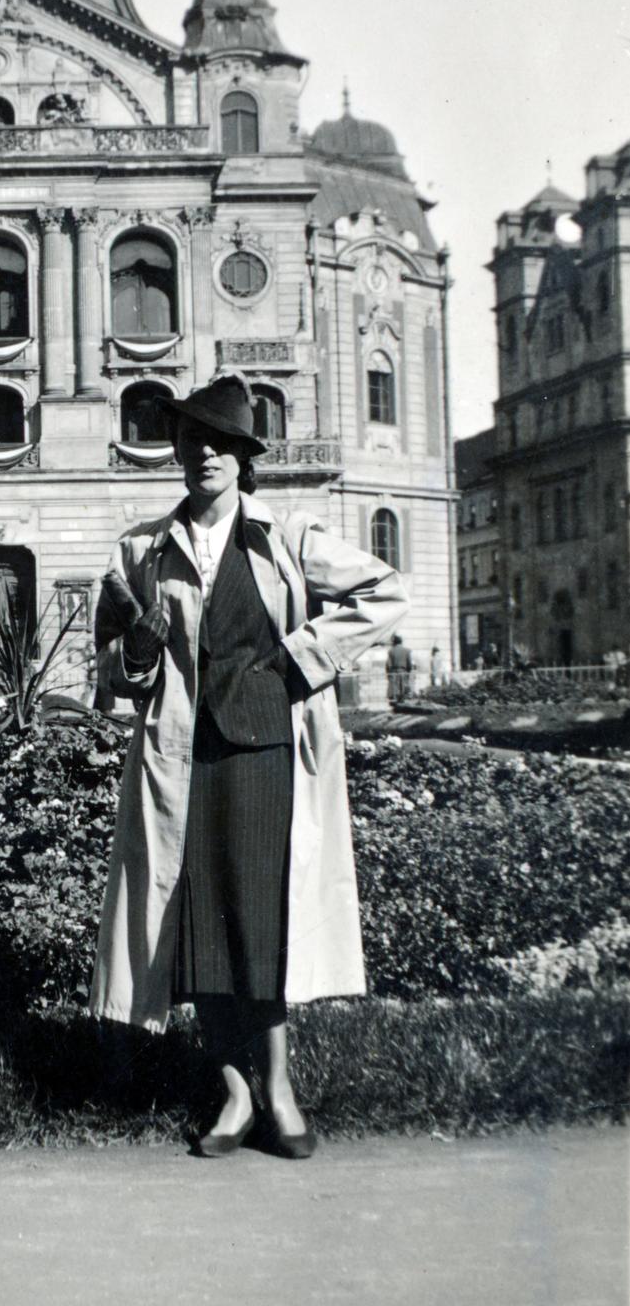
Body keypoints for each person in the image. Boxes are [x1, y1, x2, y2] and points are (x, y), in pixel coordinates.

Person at [89, 373, 407, 1160]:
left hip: (268, 754)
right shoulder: (139, 551)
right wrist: (134, 649)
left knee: (260, 922)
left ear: (242, 457)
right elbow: (109, 673)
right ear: (177, 453)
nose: (204, 456)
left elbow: (386, 590)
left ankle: (278, 1088)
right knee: (196, 930)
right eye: (191, 441)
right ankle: (231, 1094)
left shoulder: (288, 536)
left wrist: (300, 660)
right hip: (181, 757)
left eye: (220, 444)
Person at [386, 634, 413, 703]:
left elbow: (388, 665)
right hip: (403, 672)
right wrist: (408, 672)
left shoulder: (391, 651)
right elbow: (409, 664)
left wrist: (389, 674)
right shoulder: (407, 651)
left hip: (394, 673)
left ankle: (396, 706)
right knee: (403, 691)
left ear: (394, 642)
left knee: (395, 692)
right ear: (401, 642)